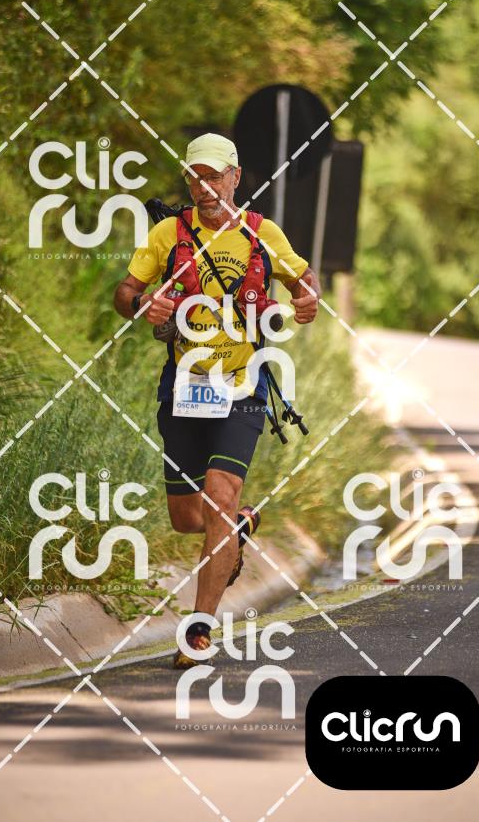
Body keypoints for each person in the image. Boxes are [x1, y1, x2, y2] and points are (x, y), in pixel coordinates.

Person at [114, 133, 320, 668]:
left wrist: (307, 299)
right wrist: (143, 305)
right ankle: (240, 527)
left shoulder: (262, 234)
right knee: (188, 518)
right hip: (184, 386)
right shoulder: (167, 234)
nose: (205, 187)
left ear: (235, 177)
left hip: (243, 386)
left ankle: (199, 627)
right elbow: (125, 292)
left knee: (220, 499)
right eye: (195, 177)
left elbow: (303, 280)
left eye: (214, 176)